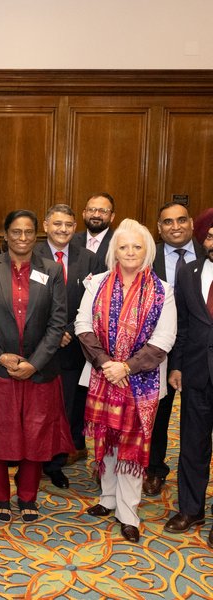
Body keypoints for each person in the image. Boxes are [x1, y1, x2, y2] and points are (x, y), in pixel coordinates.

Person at [76, 219, 176, 543]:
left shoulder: (163, 291)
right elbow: (82, 324)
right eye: (123, 246)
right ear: (114, 251)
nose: (130, 252)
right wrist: (107, 364)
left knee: (132, 447)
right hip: (103, 376)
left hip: (141, 382)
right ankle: (107, 499)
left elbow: (164, 340)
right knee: (106, 440)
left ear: (147, 251)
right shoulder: (96, 283)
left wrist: (126, 368)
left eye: (136, 246)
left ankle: (128, 512)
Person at [0, 209, 72, 524]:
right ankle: (0, 496)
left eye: (29, 231)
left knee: (36, 434)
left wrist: (35, 363)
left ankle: (28, 495)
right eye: (16, 231)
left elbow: (57, 323)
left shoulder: (52, 270)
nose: (23, 237)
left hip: (39, 371)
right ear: (5, 235)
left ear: (36, 235)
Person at [35, 205, 103, 489]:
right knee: (39, 407)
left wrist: (70, 330)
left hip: (74, 346)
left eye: (68, 225)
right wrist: (53, 332)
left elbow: (95, 300)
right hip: (39, 345)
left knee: (67, 406)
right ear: (46, 225)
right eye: (57, 224)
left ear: (75, 227)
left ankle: (56, 463)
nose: (63, 229)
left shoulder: (88, 258)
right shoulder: (32, 253)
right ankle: (33, 459)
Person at [143, 201, 203, 497]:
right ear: (159, 227)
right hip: (158, 347)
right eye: (168, 222)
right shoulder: (147, 257)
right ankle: (154, 469)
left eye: (181, 220)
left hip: (199, 349)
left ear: (191, 223)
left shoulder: (208, 254)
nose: (175, 226)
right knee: (158, 413)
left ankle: (193, 479)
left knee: (198, 419)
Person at [163, 209, 213, 547]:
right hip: (196, 374)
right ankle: (191, 509)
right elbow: (181, 324)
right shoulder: (189, 272)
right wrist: (177, 366)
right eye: (210, 236)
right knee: (192, 446)